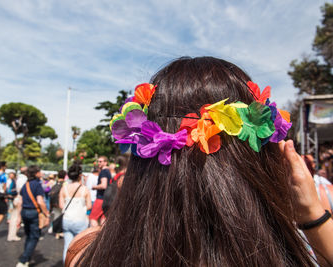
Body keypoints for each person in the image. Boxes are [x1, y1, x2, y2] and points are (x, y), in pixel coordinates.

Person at [66, 57, 333, 266]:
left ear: (141, 161)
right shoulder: (289, 256)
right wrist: (313, 217)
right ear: (264, 162)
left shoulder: (83, 252)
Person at [16, 165, 49, 267]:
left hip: (24, 212)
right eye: (39, 171)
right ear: (36, 173)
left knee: (29, 235)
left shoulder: (25, 185)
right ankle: (23, 260)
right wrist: (46, 213)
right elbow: (40, 202)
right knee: (34, 237)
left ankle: (27, 257)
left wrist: (18, 216)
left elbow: (20, 202)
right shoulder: (37, 185)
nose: (41, 173)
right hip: (34, 212)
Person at [59, 162, 91, 263]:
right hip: (80, 220)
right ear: (80, 175)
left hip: (67, 219)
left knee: (67, 247)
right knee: (80, 248)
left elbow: (61, 205)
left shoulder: (64, 188)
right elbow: (89, 205)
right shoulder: (84, 189)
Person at [89, 156, 111, 227]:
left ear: (105, 162)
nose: (99, 163)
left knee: (93, 218)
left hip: (101, 199)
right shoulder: (108, 171)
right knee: (103, 219)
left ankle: (95, 236)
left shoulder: (104, 172)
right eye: (98, 161)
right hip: (107, 199)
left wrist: (94, 187)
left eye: (101, 161)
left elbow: (103, 185)